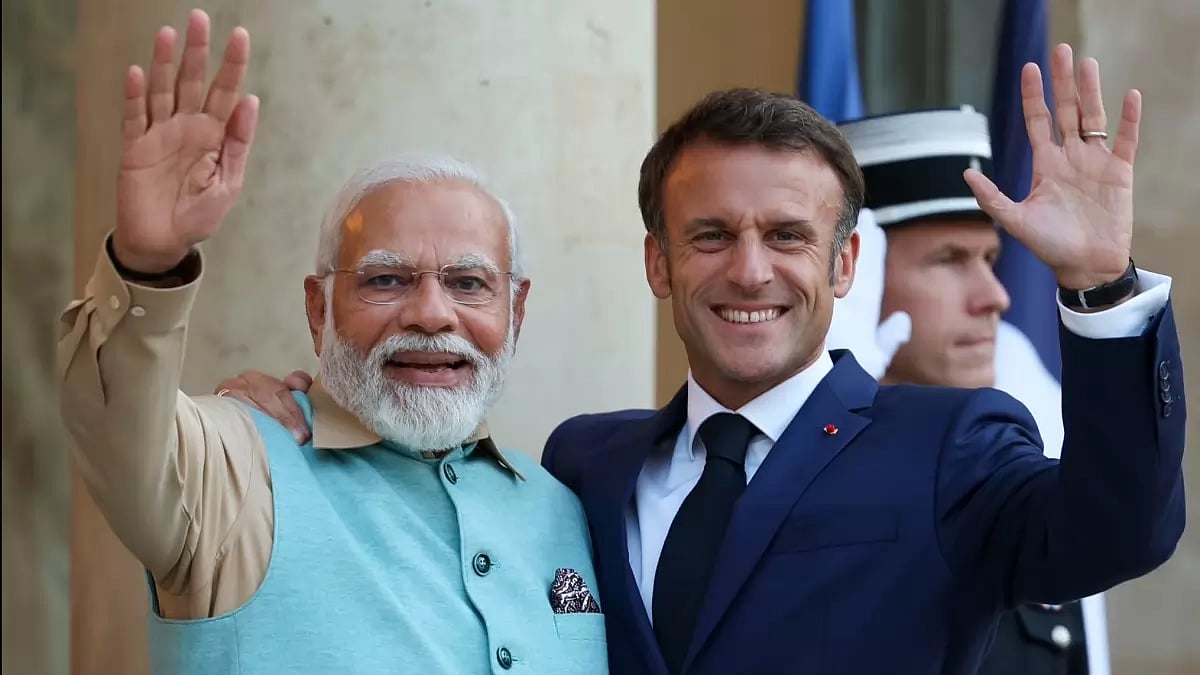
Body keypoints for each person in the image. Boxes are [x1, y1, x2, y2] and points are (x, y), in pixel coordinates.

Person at [219, 47, 1186, 675]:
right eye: (711, 234)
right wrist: (287, 424)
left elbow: (1120, 531)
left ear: (844, 263)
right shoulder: (583, 464)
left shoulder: (948, 446)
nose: (749, 270)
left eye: (788, 235)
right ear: (659, 262)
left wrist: (1100, 287)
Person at [57, 11, 606, 675]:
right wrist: (147, 263)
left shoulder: (560, 507)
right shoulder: (234, 473)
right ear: (318, 309)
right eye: (386, 279)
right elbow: (120, 432)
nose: (431, 313)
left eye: (468, 283)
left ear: (516, 312)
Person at [834, 106, 1109, 675]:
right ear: (853, 271)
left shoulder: (1032, 447)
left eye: (989, 259)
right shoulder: (785, 478)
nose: (995, 297)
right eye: (949, 260)